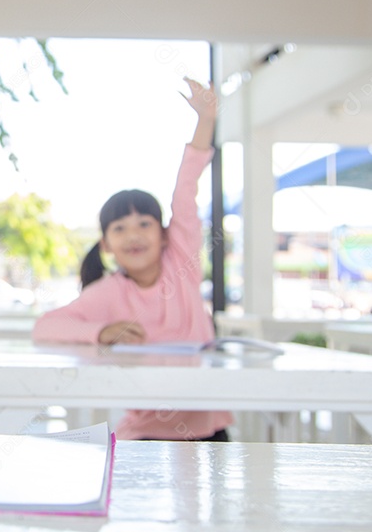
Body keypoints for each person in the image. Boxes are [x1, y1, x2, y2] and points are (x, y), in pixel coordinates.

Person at [33, 77, 233, 442]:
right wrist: (100, 332)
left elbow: (185, 191)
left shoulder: (181, 263)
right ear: (106, 245)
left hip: (207, 429)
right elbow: (45, 327)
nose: (134, 234)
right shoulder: (109, 292)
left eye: (144, 223)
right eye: (120, 228)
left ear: (165, 234)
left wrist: (206, 120)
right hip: (142, 436)